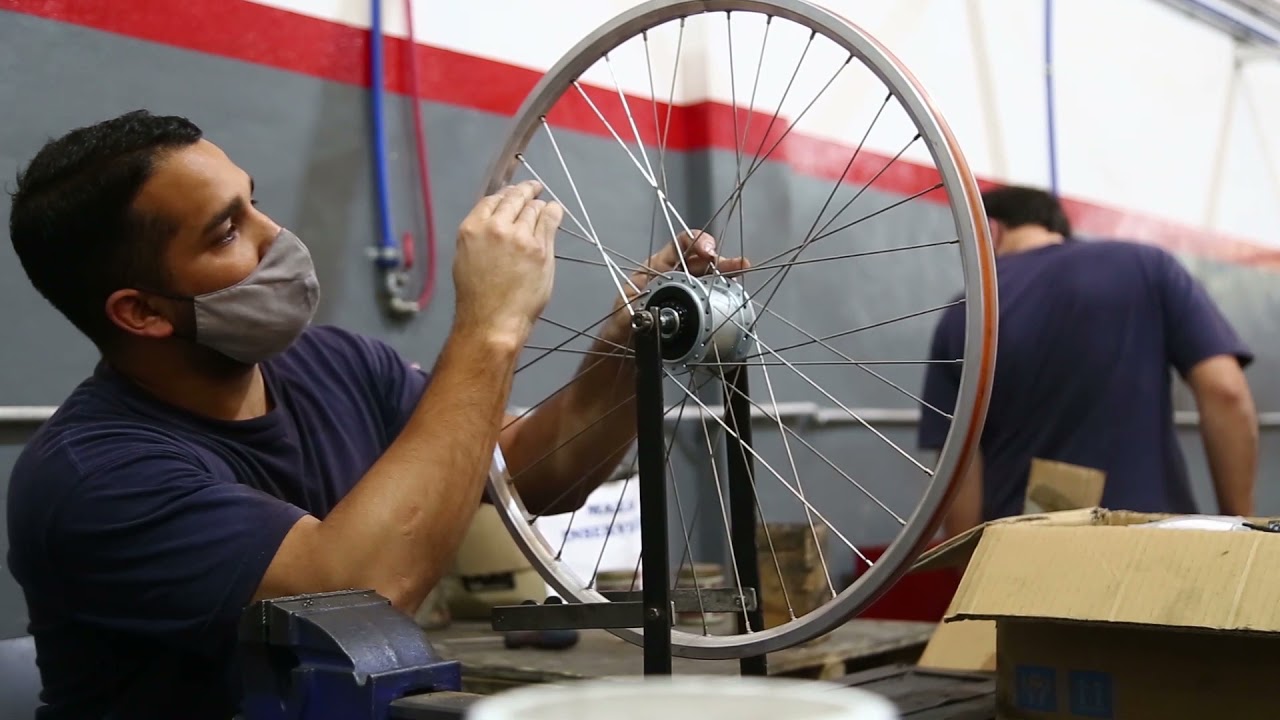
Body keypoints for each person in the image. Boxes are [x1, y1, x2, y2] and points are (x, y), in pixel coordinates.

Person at [4, 110, 747, 719]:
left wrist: (628, 349)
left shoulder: (336, 365)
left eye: (255, 201)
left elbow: (529, 476)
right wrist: (489, 328)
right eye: (227, 232)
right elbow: (356, 600)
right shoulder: (93, 480)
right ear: (139, 311)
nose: (275, 237)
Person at [918, 185, 1257, 538]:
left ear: (993, 229)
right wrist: (1240, 525)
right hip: (1156, 543)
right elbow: (1225, 391)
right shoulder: (1147, 266)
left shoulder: (966, 314)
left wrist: (971, 572)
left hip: (1023, 555)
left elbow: (958, 467)